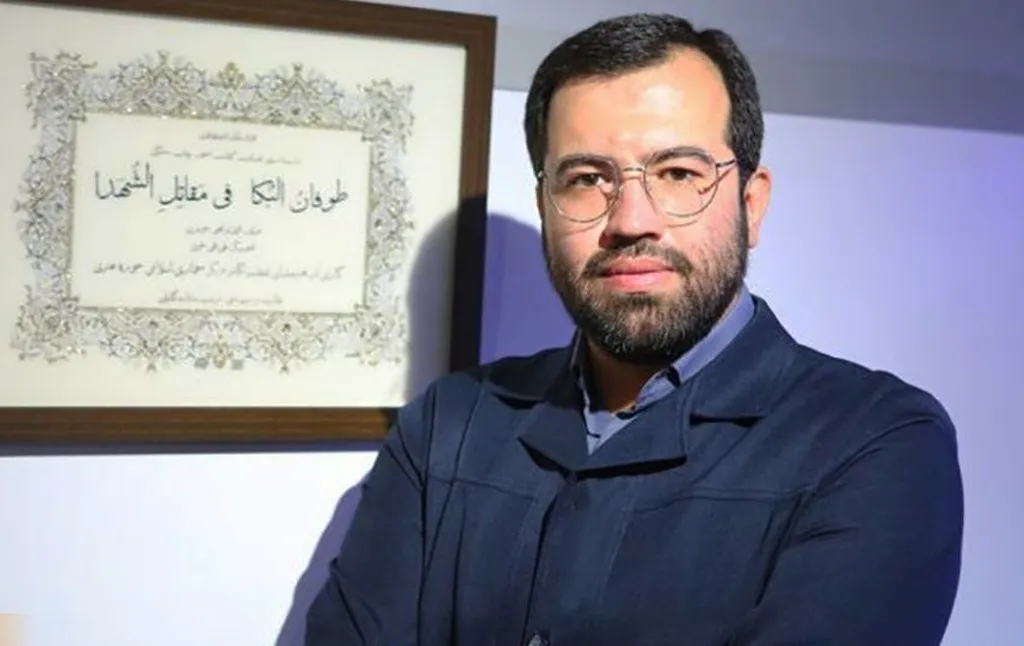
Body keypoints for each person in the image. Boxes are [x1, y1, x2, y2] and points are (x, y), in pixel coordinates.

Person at [304, 12, 964, 646]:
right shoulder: (448, 426)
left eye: (678, 173)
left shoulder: (873, 442)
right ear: (545, 207)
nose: (631, 221)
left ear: (751, 203)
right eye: (588, 179)